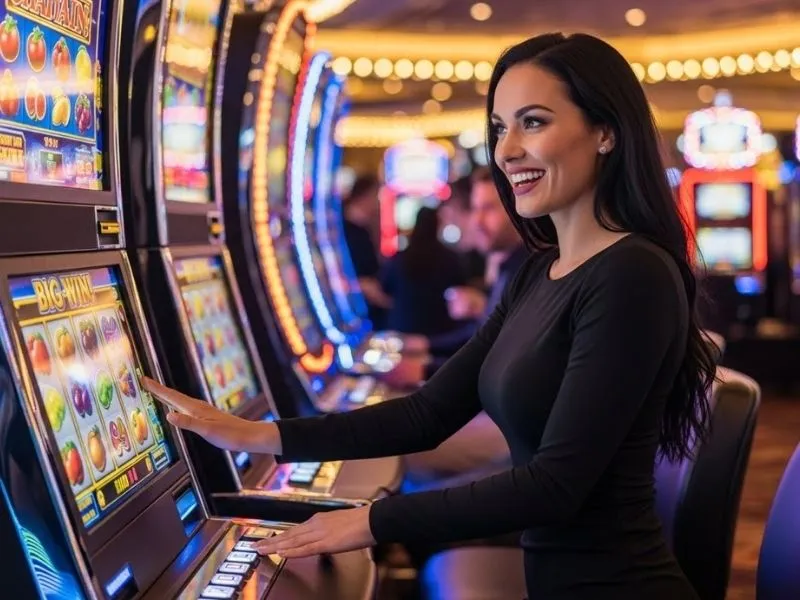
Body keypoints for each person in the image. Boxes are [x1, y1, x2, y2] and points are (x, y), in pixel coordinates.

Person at [144, 32, 716, 599]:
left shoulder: (632, 274)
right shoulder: (540, 271)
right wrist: (256, 435)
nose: (507, 150)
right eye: (500, 128)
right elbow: (428, 413)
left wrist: (368, 522)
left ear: (605, 132)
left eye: (533, 122)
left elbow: (554, 486)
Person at [380, 206, 469, 337]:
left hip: (402, 328)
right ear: (437, 225)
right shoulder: (450, 258)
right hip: (439, 332)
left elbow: (385, 290)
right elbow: (460, 291)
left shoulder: (399, 258)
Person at [342, 173, 392, 328]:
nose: (378, 202)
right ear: (364, 196)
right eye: (376, 196)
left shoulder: (362, 228)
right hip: (353, 309)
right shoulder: (346, 230)